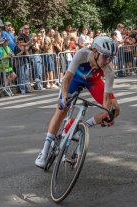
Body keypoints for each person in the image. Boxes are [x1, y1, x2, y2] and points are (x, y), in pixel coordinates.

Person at [35, 36, 120, 169]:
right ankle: (44, 152)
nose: (108, 61)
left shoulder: (109, 69)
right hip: (75, 79)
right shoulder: (82, 54)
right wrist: (63, 98)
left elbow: (107, 98)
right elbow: (67, 79)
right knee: (61, 110)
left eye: (111, 58)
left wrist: (107, 114)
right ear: (95, 52)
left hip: (93, 82)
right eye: (106, 57)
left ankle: (80, 128)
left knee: (115, 110)